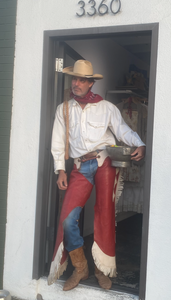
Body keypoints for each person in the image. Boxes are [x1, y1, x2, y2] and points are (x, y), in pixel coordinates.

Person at [47, 60, 145, 291]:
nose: (77, 83)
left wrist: (139, 144)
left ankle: (103, 268)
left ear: (91, 83)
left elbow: (122, 130)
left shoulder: (107, 107)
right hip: (80, 166)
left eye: (82, 80)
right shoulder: (63, 109)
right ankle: (81, 268)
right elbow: (58, 141)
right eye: (75, 79)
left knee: (104, 214)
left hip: (104, 162)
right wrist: (60, 168)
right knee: (68, 219)